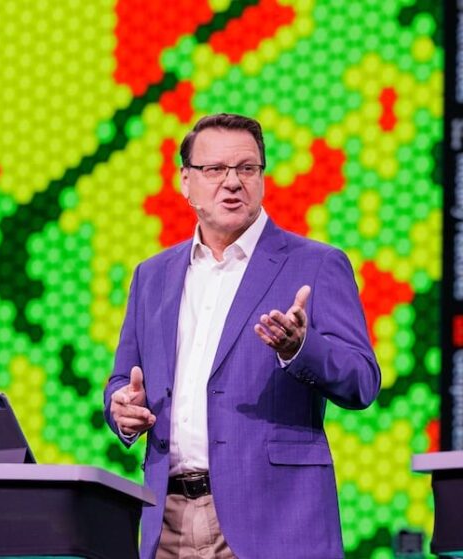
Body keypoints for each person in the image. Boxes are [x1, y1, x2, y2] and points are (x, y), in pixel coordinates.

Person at [104, 113, 380, 559]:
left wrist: (300, 348)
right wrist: (122, 408)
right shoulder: (152, 276)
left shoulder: (315, 264)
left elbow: (362, 381)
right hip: (167, 519)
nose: (232, 182)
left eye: (246, 168)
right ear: (186, 182)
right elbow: (122, 381)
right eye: (215, 169)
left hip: (274, 522)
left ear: (262, 178)